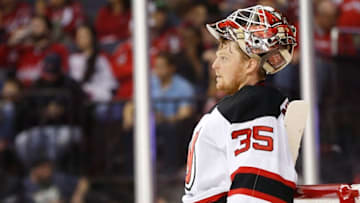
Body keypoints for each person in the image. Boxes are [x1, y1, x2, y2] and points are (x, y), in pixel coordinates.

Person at [182, 5, 298, 203]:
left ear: (250, 64)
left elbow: (255, 194)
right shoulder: (251, 105)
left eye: (225, 57)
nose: (215, 65)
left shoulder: (253, 106)